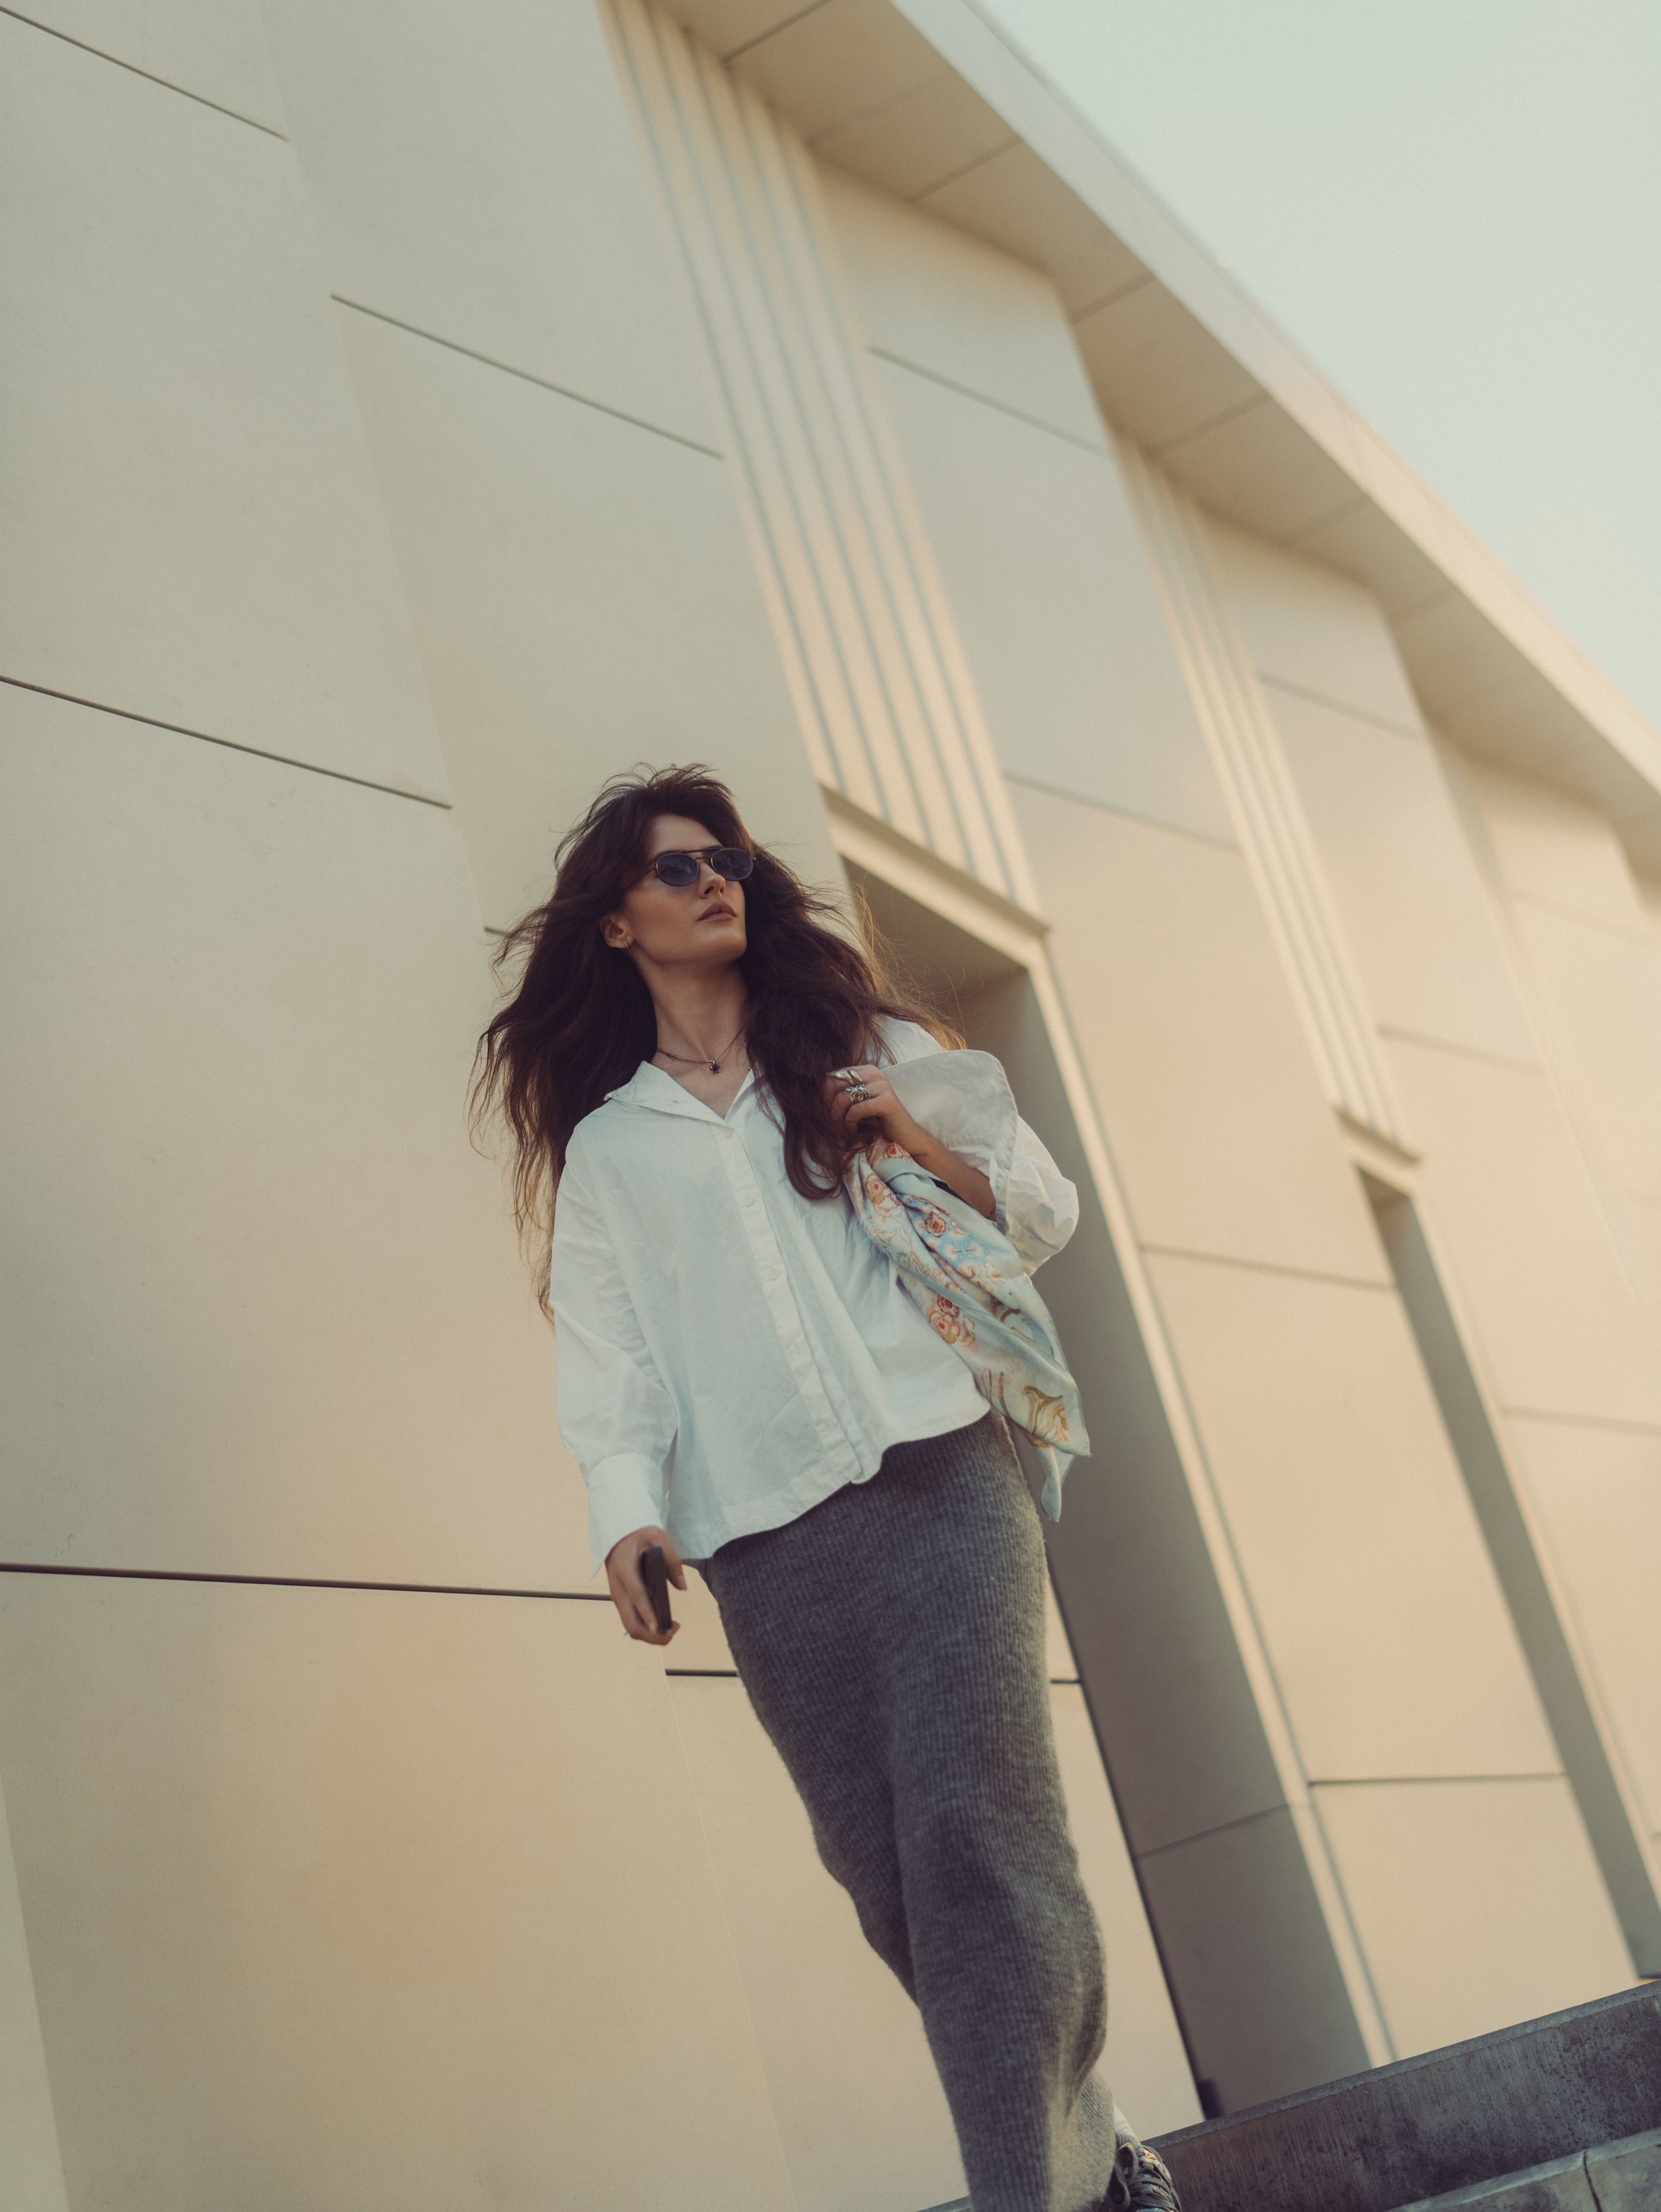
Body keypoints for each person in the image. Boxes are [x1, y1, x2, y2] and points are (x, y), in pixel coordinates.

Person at [474, 765, 1185, 2212]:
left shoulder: (866, 1039)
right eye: (676, 868)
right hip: (764, 1539)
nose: (715, 877)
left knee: (974, 1837)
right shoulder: (610, 1146)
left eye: (725, 855)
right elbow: (611, 1351)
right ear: (614, 922)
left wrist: (911, 1141)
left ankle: (1026, 2197)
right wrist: (624, 1508)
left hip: (938, 1475)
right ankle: (1090, 2154)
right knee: (887, 1878)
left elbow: (1036, 1208)